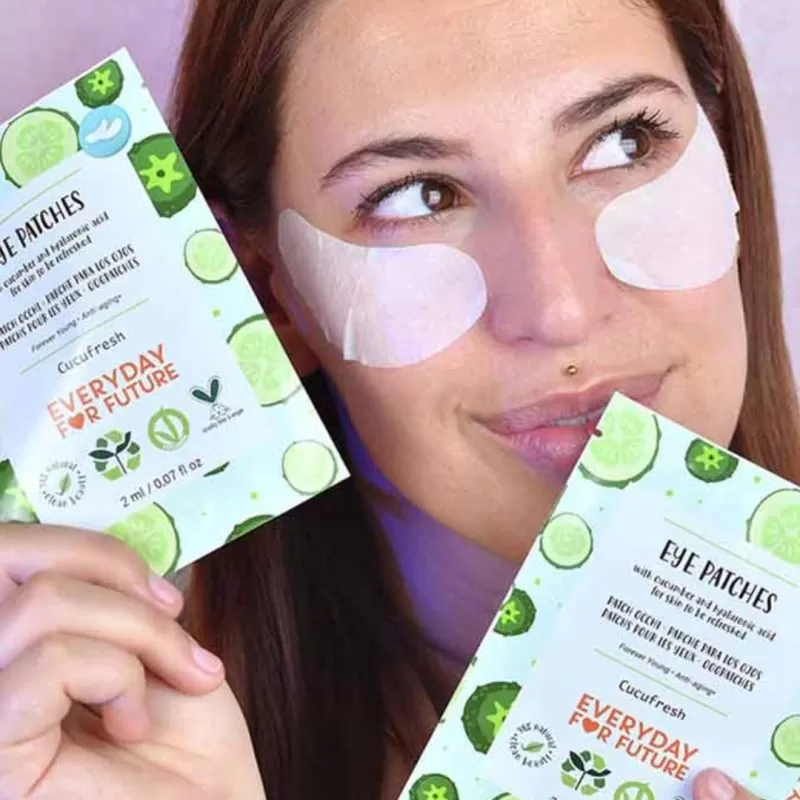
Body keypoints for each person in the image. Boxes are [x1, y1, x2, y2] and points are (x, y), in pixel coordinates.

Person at [1, 0, 797, 798]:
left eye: (625, 142)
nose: (561, 310)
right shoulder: (98, 752)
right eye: (417, 196)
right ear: (268, 296)